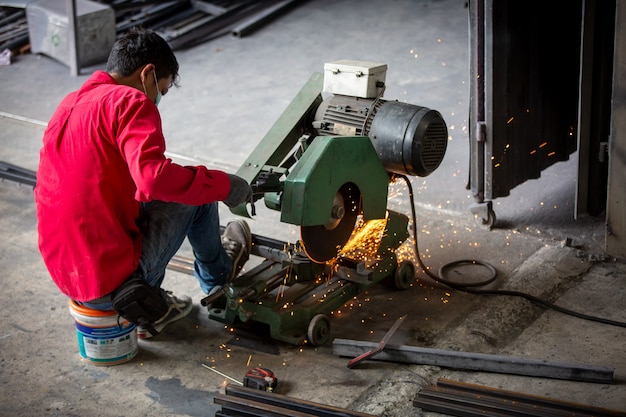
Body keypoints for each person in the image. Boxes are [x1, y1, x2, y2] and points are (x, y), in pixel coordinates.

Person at [34, 28, 253, 339]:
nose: (157, 99)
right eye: (160, 89)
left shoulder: (70, 104)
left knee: (182, 186)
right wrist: (226, 186)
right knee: (200, 190)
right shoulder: (129, 101)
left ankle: (154, 303)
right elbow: (154, 179)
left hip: (69, 276)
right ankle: (218, 277)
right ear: (147, 74)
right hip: (114, 287)